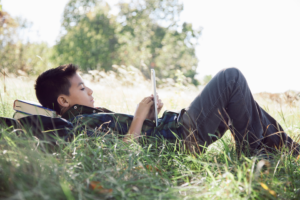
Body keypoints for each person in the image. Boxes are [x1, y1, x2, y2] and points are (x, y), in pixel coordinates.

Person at [34, 64, 299, 156]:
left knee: (238, 98)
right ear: (63, 101)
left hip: (173, 131)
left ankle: (279, 149)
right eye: (81, 88)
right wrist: (138, 116)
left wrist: (150, 116)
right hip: (180, 137)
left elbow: (134, 137)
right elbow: (123, 155)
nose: (90, 91)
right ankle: (268, 151)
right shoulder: (79, 126)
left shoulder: (91, 116)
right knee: (231, 79)